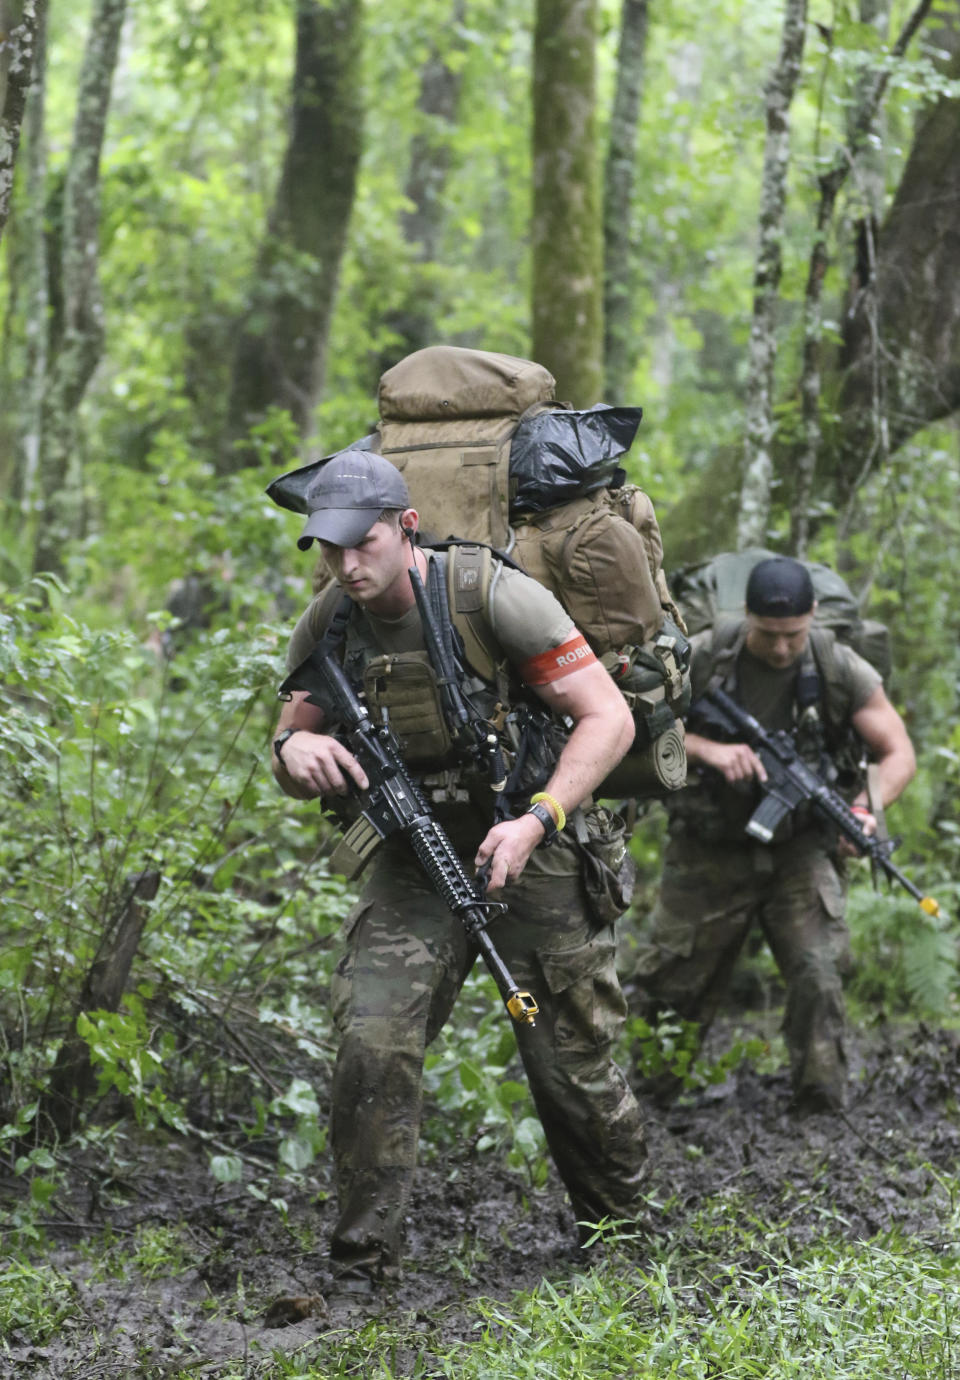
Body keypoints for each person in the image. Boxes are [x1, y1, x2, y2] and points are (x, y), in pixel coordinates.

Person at [270, 448, 649, 1292]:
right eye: (327, 550)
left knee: (570, 1059)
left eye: (359, 544)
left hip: (534, 840)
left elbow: (607, 718)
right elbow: (289, 734)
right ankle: (363, 1265)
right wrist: (298, 749)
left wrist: (537, 820)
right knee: (373, 1040)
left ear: (405, 528)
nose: (344, 565)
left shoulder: (489, 595)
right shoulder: (330, 619)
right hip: (415, 855)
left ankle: (623, 1242)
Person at [630, 555, 916, 1115]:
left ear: (811, 617)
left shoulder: (836, 663)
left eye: (793, 635)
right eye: (769, 634)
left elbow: (897, 750)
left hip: (800, 848)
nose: (782, 648)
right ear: (747, 617)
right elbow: (636, 722)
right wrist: (711, 749)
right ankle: (647, 1104)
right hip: (710, 846)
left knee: (819, 972)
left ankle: (821, 1108)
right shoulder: (710, 653)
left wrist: (863, 810)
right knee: (674, 979)